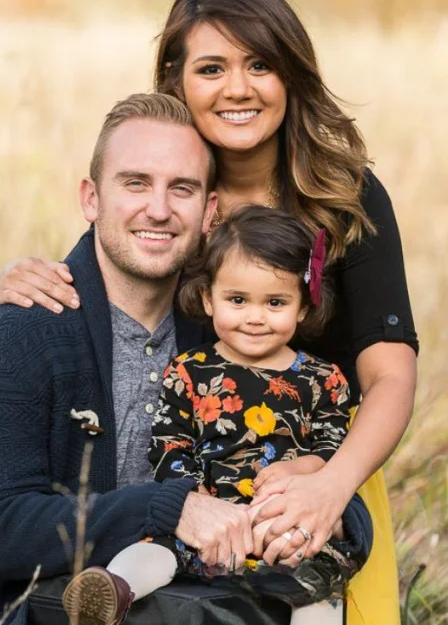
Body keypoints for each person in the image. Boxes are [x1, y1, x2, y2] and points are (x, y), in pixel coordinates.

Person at [0, 0, 418, 623]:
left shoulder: (343, 195)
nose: (238, 88)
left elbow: (389, 373)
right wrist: (31, 277)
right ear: (176, 81)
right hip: (201, 484)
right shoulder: (178, 193)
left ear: (291, 73)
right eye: (212, 67)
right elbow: (112, 259)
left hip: (320, 476)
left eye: (260, 64)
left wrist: (333, 485)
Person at [0, 93, 261, 625]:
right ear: (91, 198)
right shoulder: (19, 335)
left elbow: (312, 445)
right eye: (135, 183)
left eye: (182, 188)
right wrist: (169, 507)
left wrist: (315, 507)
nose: (158, 209)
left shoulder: (230, 334)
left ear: (210, 211)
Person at [62, 206, 373, 625]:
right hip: (207, 520)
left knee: (318, 590)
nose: (255, 317)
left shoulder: (323, 378)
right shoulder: (190, 370)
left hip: (283, 523)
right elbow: (170, 443)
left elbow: (335, 444)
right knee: (154, 551)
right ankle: (113, 589)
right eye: (238, 299)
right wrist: (191, 495)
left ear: (303, 307)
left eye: (276, 302)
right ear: (209, 298)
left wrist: (306, 467)